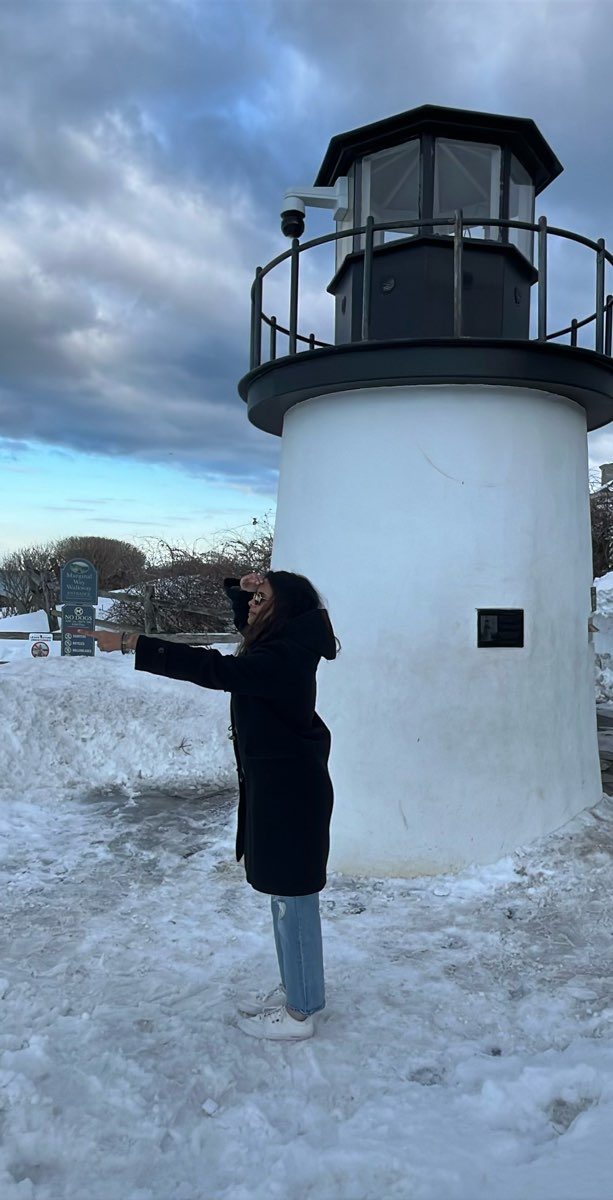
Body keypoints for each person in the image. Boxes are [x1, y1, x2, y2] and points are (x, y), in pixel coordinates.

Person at [87, 570, 337, 1042]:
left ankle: (301, 1012)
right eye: (256, 599)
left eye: (264, 600)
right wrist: (238, 590)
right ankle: (297, 993)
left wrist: (131, 642)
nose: (255, 607)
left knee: (294, 900)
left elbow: (215, 670)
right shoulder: (284, 642)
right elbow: (248, 628)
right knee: (285, 896)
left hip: (291, 794)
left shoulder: (283, 657)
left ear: (284, 609)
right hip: (282, 787)